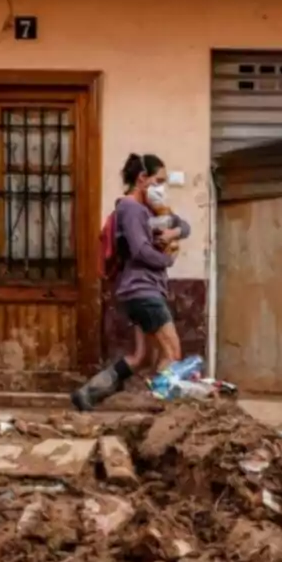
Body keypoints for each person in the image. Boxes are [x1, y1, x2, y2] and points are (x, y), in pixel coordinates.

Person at [71, 153, 192, 410]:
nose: (162, 188)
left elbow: (185, 225)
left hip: (140, 290)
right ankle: (161, 412)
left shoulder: (149, 210)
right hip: (143, 290)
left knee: (141, 357)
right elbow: (140, 251)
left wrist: (173, 231)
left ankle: (88, 394)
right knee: (172, 352)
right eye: (158, 181)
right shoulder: (131, 209)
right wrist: (167, 259)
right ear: (142, 179)